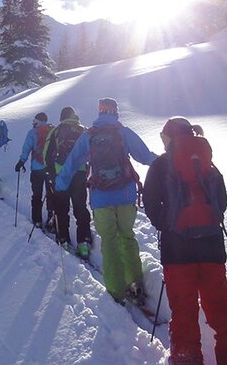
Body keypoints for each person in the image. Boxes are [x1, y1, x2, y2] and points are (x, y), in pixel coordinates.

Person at [142, 117, 227, 365]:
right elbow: (221, 202)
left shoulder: (160, 165)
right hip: (212, 245)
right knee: (218, 302)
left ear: (169, 137)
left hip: (177, 250)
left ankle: (186, 357)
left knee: (184, 308)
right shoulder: (206, 162)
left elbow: (149, 203)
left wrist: (168, 226)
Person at [55, 97, 158, 305]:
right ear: (115, 112)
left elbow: (72, 162)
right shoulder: (123, 132)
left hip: (100, 198)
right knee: (127, 237)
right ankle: (135, 285)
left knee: (109, 244)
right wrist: (167, 161)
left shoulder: (88, 136)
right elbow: (146, 156)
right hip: (126, 195)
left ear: (100, 112)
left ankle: (116, 291)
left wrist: (60, 185)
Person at [43, 106, 93, 259]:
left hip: (61, 176)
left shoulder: (56, 131)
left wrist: (52, 174)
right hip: (79, 174)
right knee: (80, 207)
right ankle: (83, 243)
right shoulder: (83, 131)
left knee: (61, 208)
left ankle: (63, 240)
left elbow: (47, 154)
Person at [15, 112, 54, 231]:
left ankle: (37, 220)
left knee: (36, 195)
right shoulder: (53, 131)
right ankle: (51, 218)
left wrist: (21, 162)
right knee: (50, 194)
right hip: (51, 169)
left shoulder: (32, 132)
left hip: (37, 169)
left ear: (37, 121)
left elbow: (26, 148)